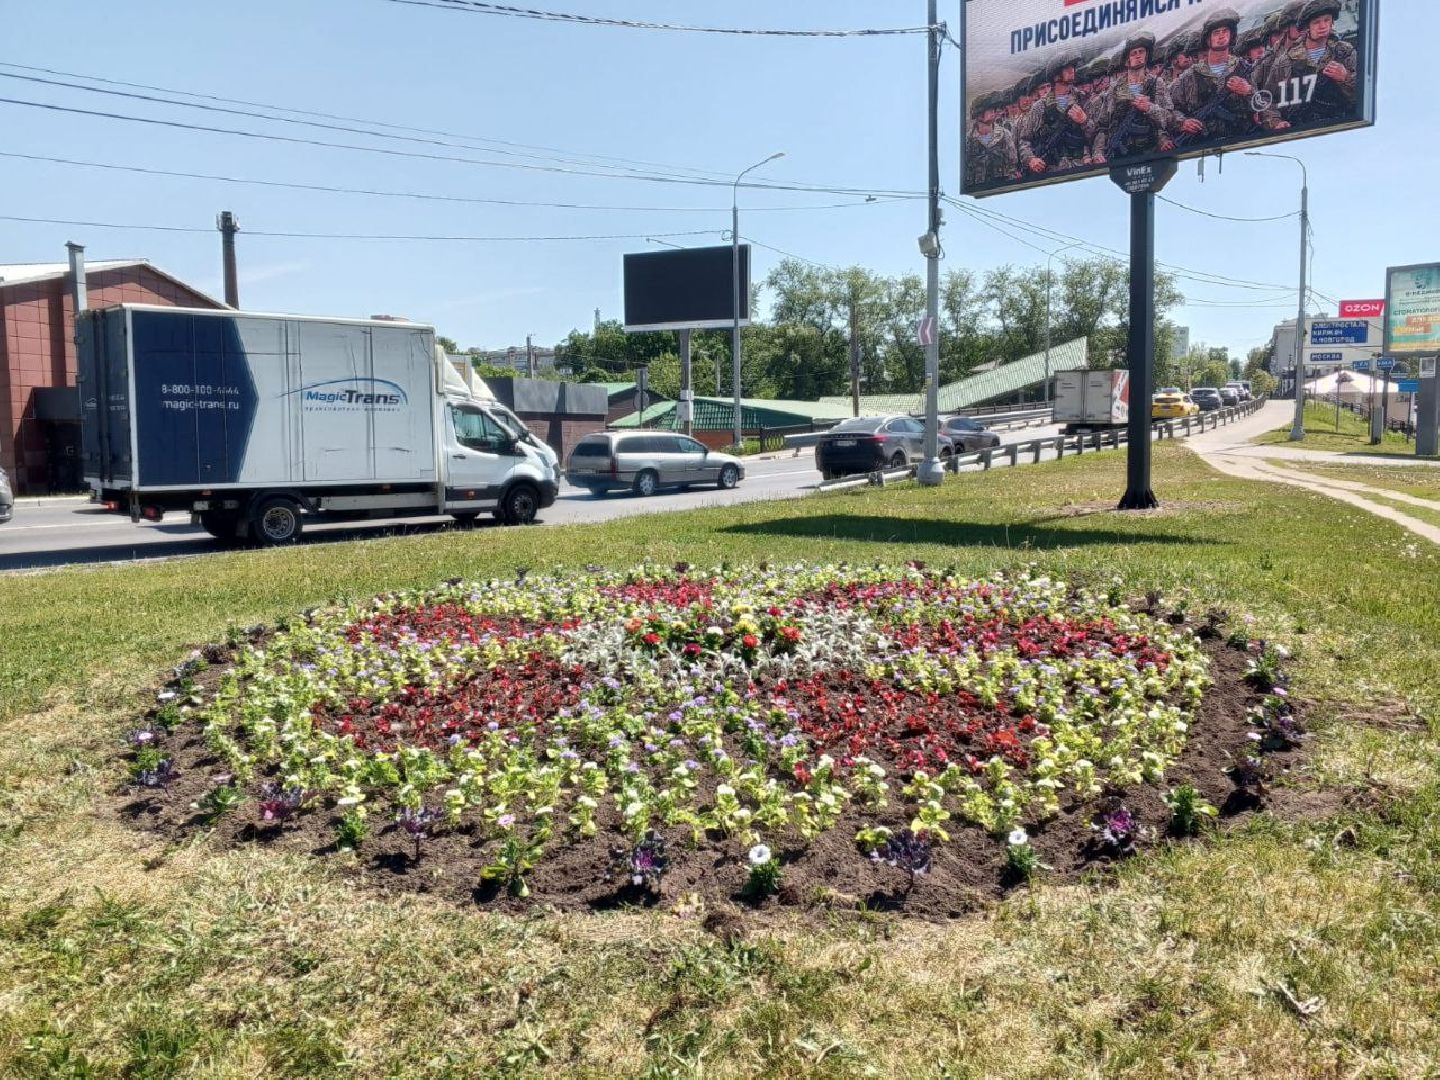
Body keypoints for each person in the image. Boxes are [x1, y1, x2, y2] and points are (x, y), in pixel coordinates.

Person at [1171, 8, 1282, 146]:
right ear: (1208, 38)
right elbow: (1169, 109)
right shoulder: (1190, 76)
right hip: (1201, 146)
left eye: (1225, 31)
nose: (1221, 36)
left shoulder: (1244, 68)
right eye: (1216, 32)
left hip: (1240, 142)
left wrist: (1249, 92)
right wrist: (1182, 122)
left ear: (1232, 35)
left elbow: (1265, 105)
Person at [1260, 0, 1356, 126]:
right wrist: (1276, 122)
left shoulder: (1345, 52)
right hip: (1300, 129)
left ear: (1332, 22)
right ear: (1307, 27)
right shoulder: (1286, 60)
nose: (1323, 26)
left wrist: (1346, 77)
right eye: (1316, 22)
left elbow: (1366, 95)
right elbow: (1267, 98)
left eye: (1327, 20)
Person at [1090, 33, 1176, 164]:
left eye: (1141, 52)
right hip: (1119, 156)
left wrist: (1150, 108)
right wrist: (1098, 152)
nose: (1138, 55)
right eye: (1133, 53)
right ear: (1126, 60)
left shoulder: (1157, 83)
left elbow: (1170, 118)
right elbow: (1103, 127)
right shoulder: (1114, 89)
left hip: (1151, 152)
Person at [1018, 56, 1090, 174]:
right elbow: (1024, 140)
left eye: (1072, 66)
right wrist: (1031, 159)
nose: (1072, 69)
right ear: (1056, 76)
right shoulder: (1039, 107)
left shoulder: (1083, 99)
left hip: (1081, 167)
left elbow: (1099, 133)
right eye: (1066, 68)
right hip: (1052, 170)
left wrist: (1085, 121)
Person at [965, 93, 1019, 188]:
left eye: (994, 110)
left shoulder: (1004, 134)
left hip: (1002, 184)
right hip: (979, 187)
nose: (994, 112)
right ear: (979, 114)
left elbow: (1013, 162)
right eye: (990, 110)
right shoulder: (969, 139)